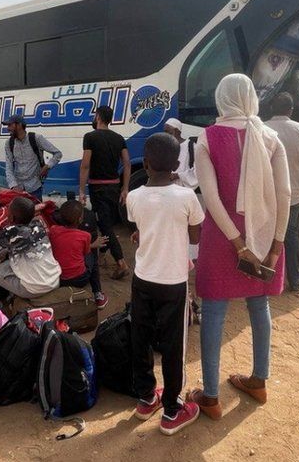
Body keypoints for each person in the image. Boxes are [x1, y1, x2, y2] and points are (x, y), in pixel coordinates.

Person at [190, 74, 291, 419]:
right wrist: (275, 246)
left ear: (221, 99)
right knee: (258, 305)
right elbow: (285, 195)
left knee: (214, 311)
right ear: (251, 97)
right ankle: (259, 380)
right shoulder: (271, 137)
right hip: (264, 236)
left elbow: (211, 197)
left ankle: (212, 397)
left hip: (222, 239)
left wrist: (236, 243)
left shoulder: (208, 137)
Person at [125, 132, 205, 435]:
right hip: (173, 282)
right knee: (174, 346)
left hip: (143, 278)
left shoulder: (134, 197)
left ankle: (146, 397)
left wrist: (145, 234)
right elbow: (195, 235)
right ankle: (172, 409)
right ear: (176, 164)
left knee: (141, 337)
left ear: (144, 163)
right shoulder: (186, 197)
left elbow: (143, 228)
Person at [265, 93, 299, 293]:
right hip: (294, 195)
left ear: (271, 108)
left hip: (265, 195)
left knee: (265, 235)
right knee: (290, 236)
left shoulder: (260, 128)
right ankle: (294, 282)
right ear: (291, 110)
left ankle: (264, 280)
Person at [0, 197, 60, 309]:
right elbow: (22, 243)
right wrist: (1, 254)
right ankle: (9, 299)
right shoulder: (38, 224)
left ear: (11, 217)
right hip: (54, 280)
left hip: (33, 288)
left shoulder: (10, 231)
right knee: (14, 260)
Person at [78, 106, 132, 280]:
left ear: (99, 117)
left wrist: (81, 189)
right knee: (107, 222)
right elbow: (127, 163)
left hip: (98, 188)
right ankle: (102, 255)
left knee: (105, 226)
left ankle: (121, 263)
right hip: (115, 187)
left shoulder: (90, 137)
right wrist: (125, 188)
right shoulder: (119, 138)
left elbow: (85, 165)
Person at [48, 200, 109, 309]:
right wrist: (93, 245)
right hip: (79, 279)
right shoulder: (85, 236)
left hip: (58, 278)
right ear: (80, 219)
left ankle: (97, 294)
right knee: (92, 255)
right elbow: (85, 252)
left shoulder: (53, 230)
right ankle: (98, 294)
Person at [3, 114, 62, 200]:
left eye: (10, 125)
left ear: (19, 125)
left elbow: (58, 154)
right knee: (19, 213)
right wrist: (13, 185)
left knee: (36, 212)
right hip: (18, 189)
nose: (8, 128)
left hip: (35, 188)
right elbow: (8, 167)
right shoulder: (9, 143)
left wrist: (47, 166)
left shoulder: (36, 138)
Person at [163, 118, 199, 191]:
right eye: (164, 132)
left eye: (168, 132)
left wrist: (177, 176)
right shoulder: (165, 146)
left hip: (184, 190)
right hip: (167, 189)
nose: (165, 135)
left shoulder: (192, 146)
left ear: (177, 131)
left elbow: (198, 171)